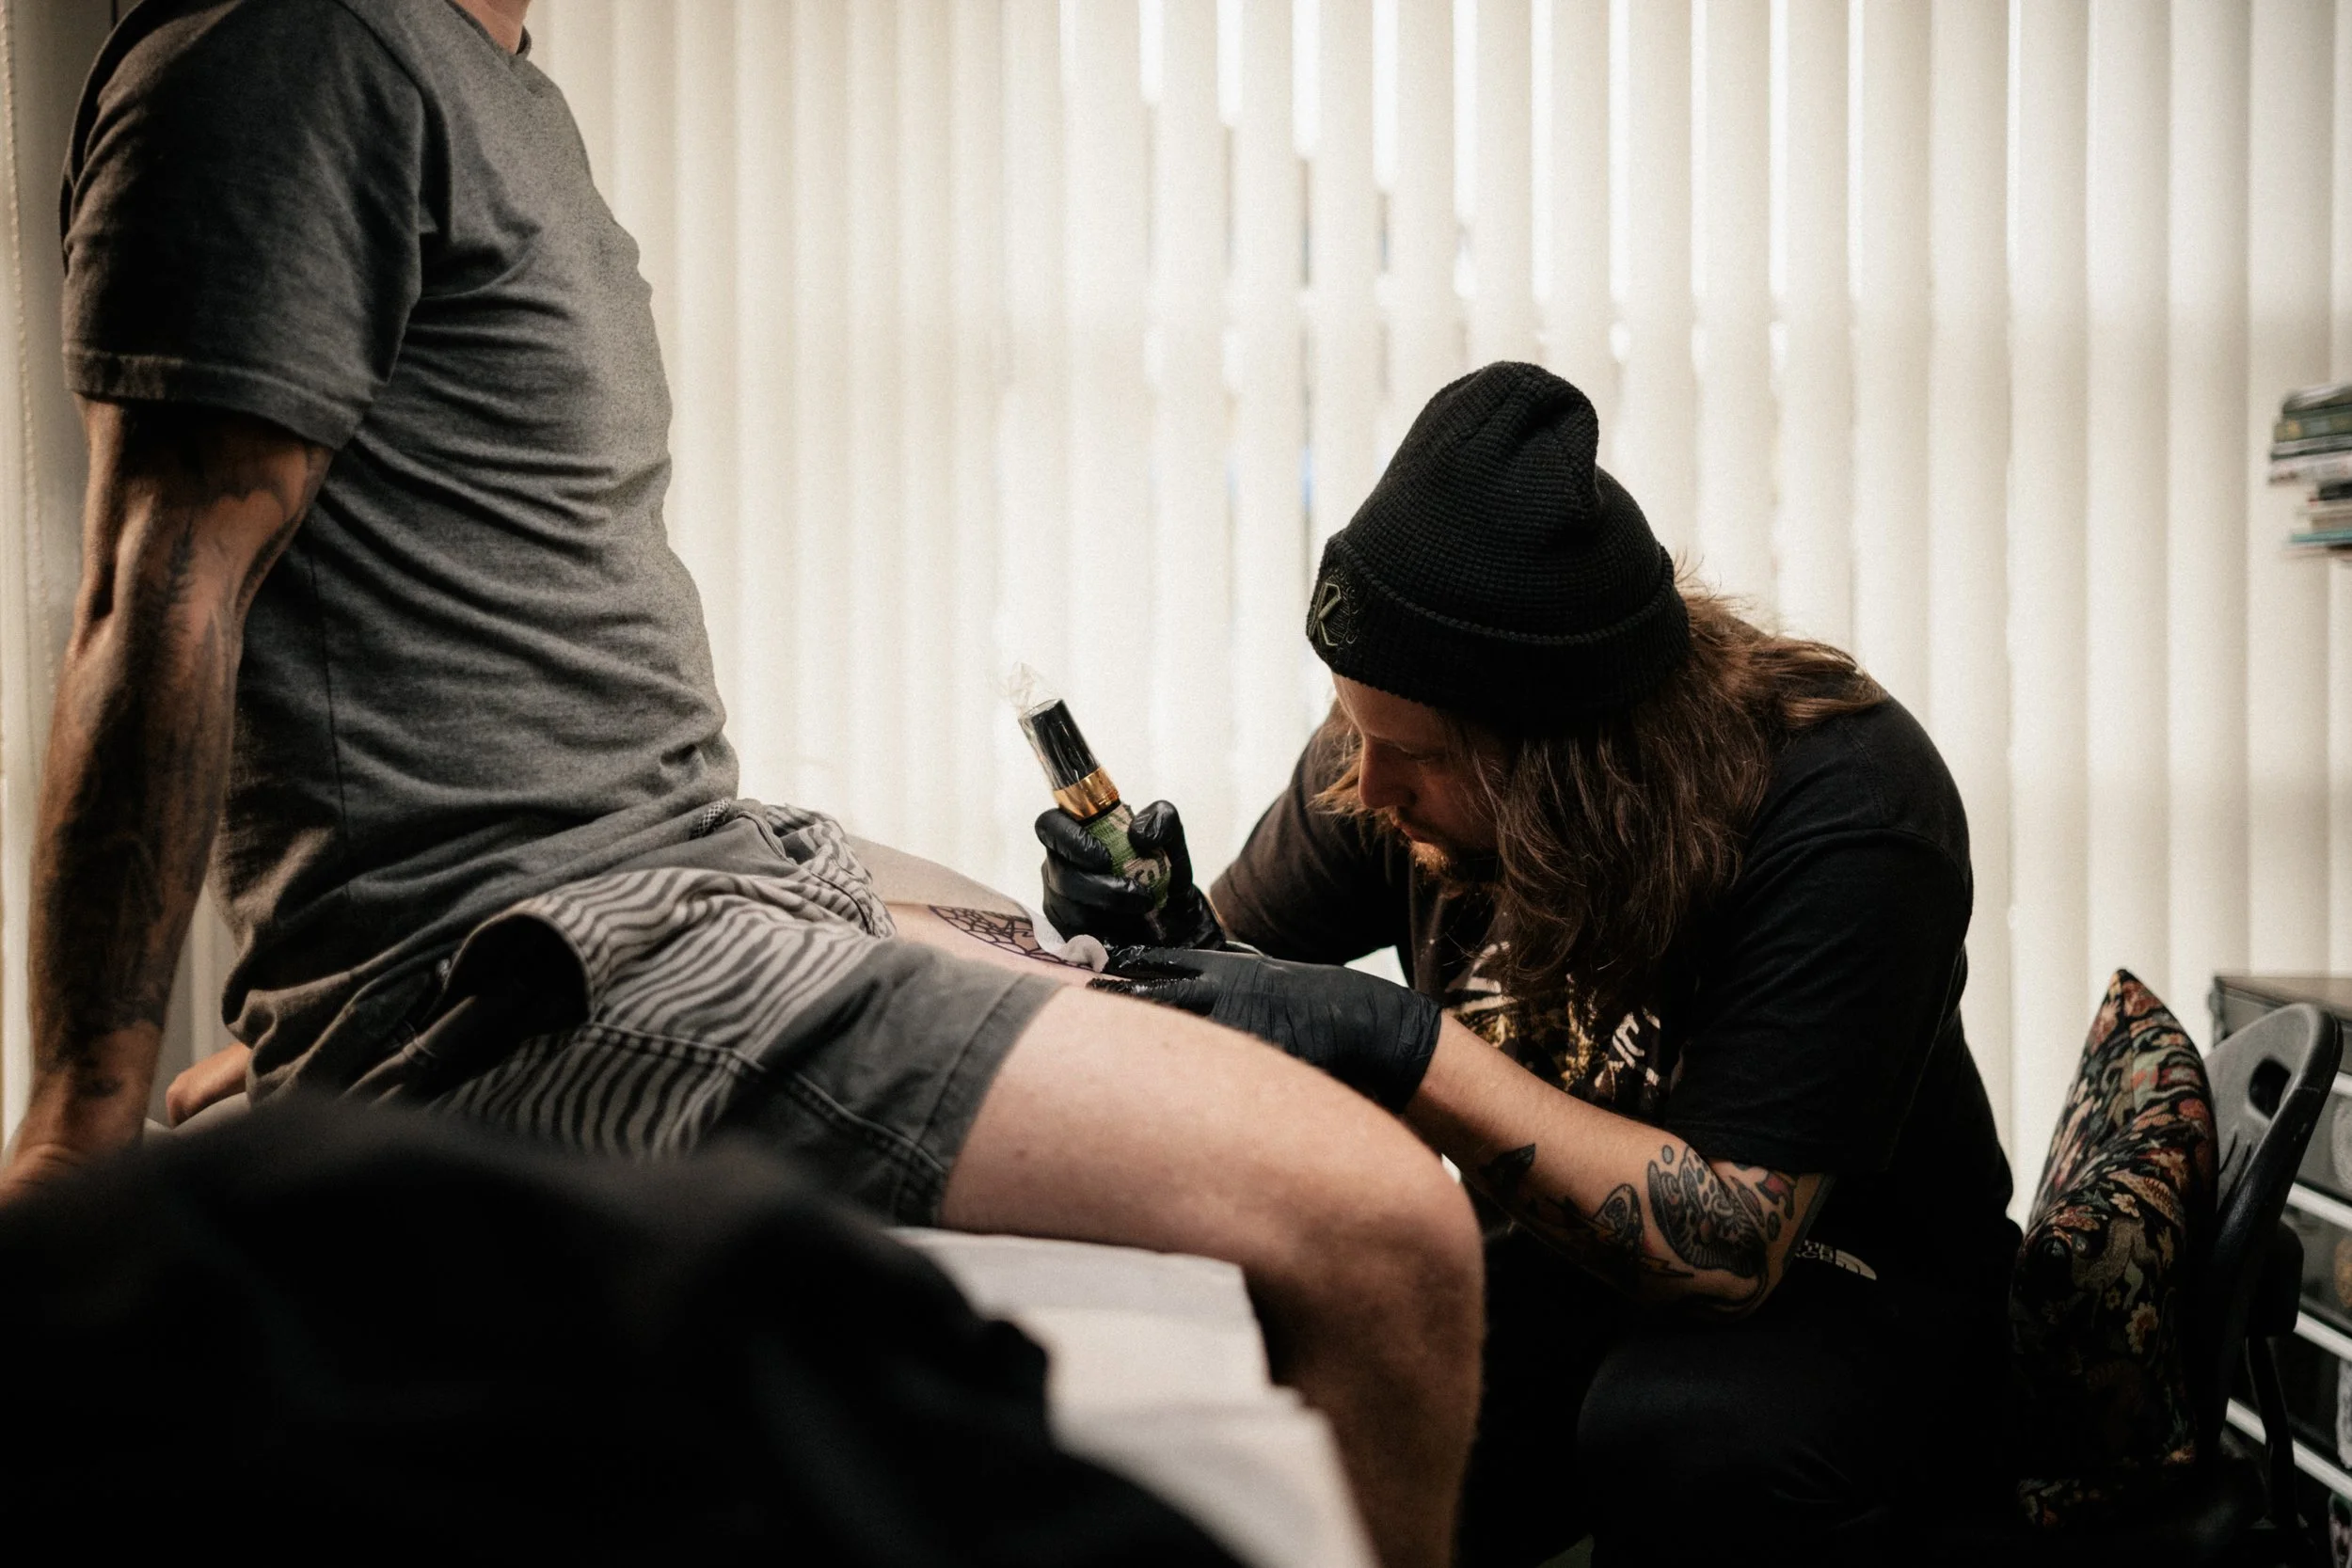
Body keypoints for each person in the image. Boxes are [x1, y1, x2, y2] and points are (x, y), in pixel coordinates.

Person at [0, 4, 1484, 1562]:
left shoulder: (487, 76)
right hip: (580, 954)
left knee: (1108, 960)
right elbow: (155, 588)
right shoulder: (296, 45)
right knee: (1390, 1235)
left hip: (692, 872)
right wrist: (78, 1137)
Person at [1041, 361, 2023, 1564]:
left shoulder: (1847, 803)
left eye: (1414, 755)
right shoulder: (1386, 748)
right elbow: (1241, 982)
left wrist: (1403, 1045)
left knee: (1678, 1428)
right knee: (1322, 1380)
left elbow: (1728, 1248)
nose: (1368, 784)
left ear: (1572, 769)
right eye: (1353, 728)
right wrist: (1150, 934)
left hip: (1856, 1283)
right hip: (1569, 1277)